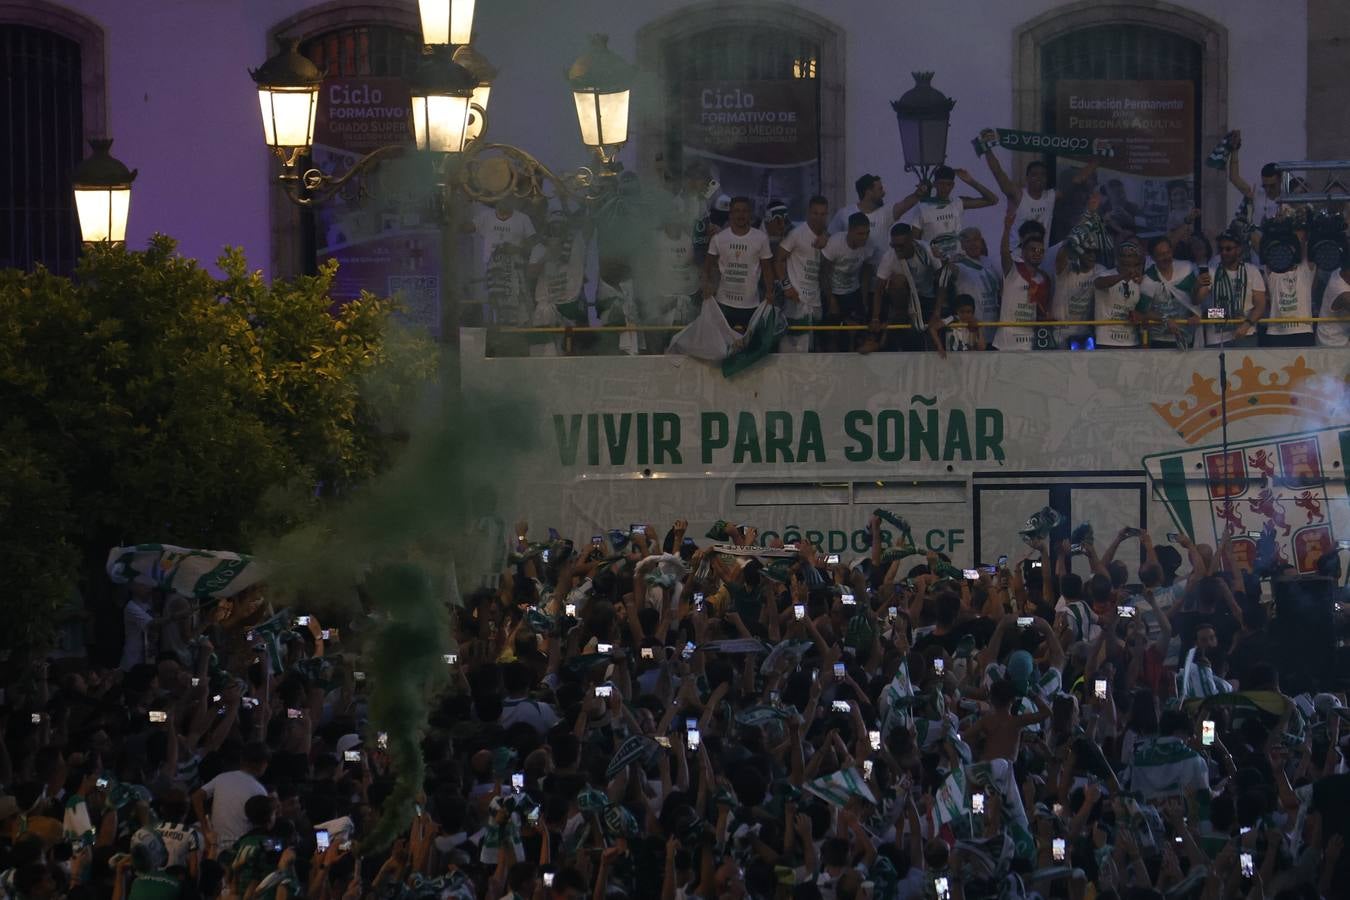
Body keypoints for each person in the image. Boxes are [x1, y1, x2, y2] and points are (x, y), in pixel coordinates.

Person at [979, 130, 1101, 250]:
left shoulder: (1050, 196)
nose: (1039, 178)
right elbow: (998, 173)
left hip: (1040, 257)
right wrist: (987, 149)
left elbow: (1078, 179)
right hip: (1017, 258)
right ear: (1027, 178)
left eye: (1043, 175)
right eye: (1034, 174)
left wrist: (1099, 154)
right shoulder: (1018, 195)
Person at [700, 196, 775, 333]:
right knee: (723, 346)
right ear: (730, 214)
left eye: (744, 211)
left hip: (751, 304)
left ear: (750, 213)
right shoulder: (719, 239)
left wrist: (770, 292)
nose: (741, 214)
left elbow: (767, 269)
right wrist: (706, 285)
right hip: (724, 303)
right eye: (737, 211)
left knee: (749, 347)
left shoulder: (761, 238)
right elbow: (707, 267)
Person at [872, 223, 940, 351]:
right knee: (898, 280)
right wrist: (875, 317)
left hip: (926, 297)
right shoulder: (889, 256)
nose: (897, 249)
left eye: (901, 246)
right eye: (894, 245)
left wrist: (937, 311)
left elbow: (942, 280)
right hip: (905, 299)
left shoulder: (927, 249)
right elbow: (879, 289)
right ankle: (901, 315)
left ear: (911, 241)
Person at [775, 194, 830, 352]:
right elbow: (778, 259)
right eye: (815, 213)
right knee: (791, 346)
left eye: (822, 214)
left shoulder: (826, 236)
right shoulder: (797, 233)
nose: (818, 218)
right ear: (808, 212)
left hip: (815, 300)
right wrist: (787, 287)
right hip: (796, 298)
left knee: (810, 347)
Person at [190, 741, 269, 851]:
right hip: (239, 849)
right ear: (264, 764)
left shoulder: (222, 777)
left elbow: (196, 797)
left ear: (242, 760)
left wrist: (205, 828)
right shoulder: (260, 791)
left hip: (215, 845)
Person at [994, 205, 1051, 351]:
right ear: (1023, 251)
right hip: (1006, 343)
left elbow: (1042, 312)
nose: (1037, 253)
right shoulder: (1013, 269)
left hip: (1030, 343)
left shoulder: (1044, 279)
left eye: (1040, 251)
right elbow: (1004, 252)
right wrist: (1007, 229)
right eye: (1033, 250)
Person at [892, 165, 998, 241]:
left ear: (952, 185)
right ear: (935, 184)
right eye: (941, 184)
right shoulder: (922, 208)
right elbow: (915, 240)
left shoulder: (958, 202)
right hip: (934, 264)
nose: (944, 188)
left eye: (948, 184)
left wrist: (971, 181)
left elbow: (993, 200)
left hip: (956, 261)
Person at [1139, 234, 1207, 350]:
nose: (1166, 257)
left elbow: (1197, 302)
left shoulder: (1187, 268)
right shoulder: (1148, 280)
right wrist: (1165, 319)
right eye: (1160, 255)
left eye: (1167, 253)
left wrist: (1196, 315)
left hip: (1188, 336)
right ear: (1153, 257)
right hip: (1160, 340)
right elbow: (1142, 311)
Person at [818, 213, 873, 353]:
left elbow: (866, 275)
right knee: (832, 334)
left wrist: (864, 300)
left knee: (856, 332)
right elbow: (823, 273)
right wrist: (831, 299)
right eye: (860, 234)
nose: (864, 237)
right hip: (832, 291)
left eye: (867, 233)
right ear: (850, 231)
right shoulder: (835, 243)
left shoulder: (869, 246)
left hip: (853, 291)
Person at [1204, 230, 1267, 347]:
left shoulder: (1252, 271)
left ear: (1238, 249)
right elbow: (1201, 306)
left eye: (1228, 249)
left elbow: (1260, 306)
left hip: (1246, 334)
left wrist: (1246, 324)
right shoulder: (1212, 270)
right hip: (1216, 337)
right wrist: (1226, 314)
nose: (1223, 252)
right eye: (1220, 249)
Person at [1260, 223, 1317, 348]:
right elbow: (1260, 246)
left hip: (1303, 331)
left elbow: (1302, 241)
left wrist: (1299, 220)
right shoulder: (1273, 272)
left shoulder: (1304, 271)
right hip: (1276, 332)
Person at [1317, 256, 1350, 347]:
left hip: (1344, 337)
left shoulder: (1339, 271)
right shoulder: (1341, 291)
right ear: (1347, 272)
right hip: (1332, 341)